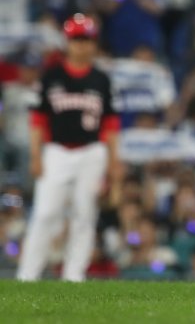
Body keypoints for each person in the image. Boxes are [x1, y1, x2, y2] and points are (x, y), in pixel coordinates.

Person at [17, 14, 122, 282]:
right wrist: (35, 155)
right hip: (57, 151)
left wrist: (113, 160)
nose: (82, 46)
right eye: (77, 39)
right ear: (67, 42)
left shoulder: (102, 79)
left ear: (94, 43)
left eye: (86, 40)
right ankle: (28, 275)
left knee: (85, 213)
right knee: (45, 213)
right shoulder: (51, 76)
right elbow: (37, 119)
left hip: (91, 151)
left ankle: (75, 275)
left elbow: (110, 123)